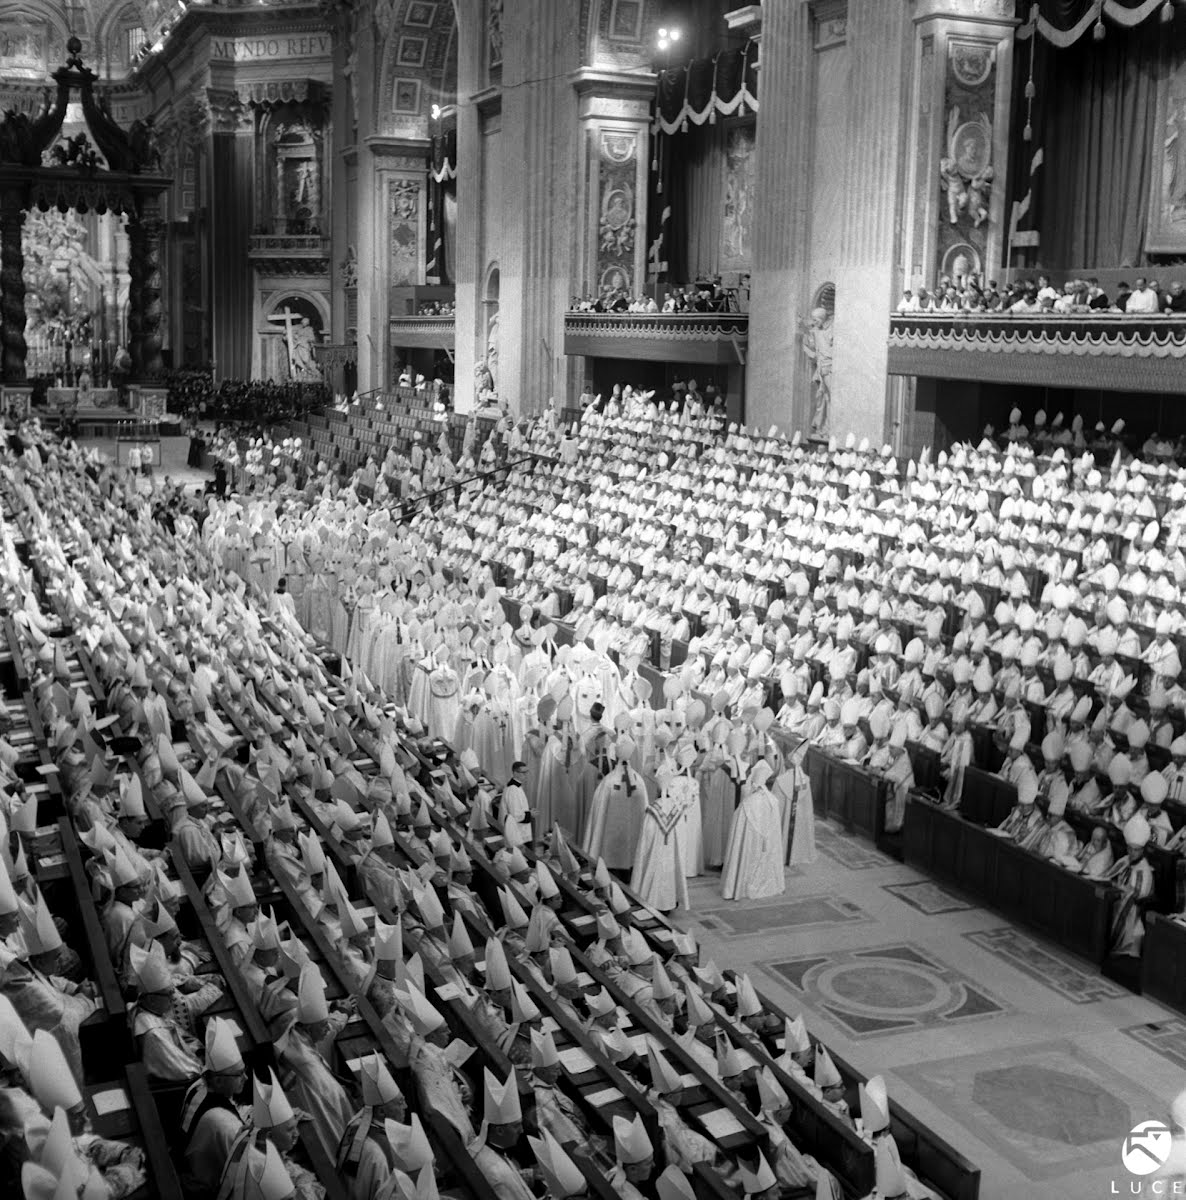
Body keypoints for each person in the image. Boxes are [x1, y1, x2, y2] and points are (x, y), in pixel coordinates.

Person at [721, 760, 785, 901]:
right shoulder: (773, 801)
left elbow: (737, 829)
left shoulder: (747, 803)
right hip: (766, 843)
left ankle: (739, 886)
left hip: (749, 842)